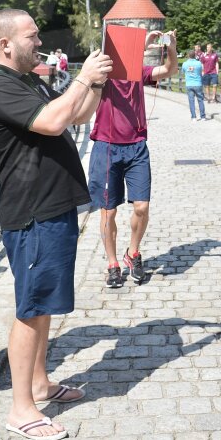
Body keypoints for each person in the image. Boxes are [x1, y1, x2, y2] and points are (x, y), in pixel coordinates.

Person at [0, 9, 113, 440]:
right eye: (32, 36)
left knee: (44, 304)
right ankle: (21, 410)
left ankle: (39, 384)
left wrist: (95, 82)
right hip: (32, 211)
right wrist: (80, 78)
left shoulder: (28, 79)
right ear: (6, 44)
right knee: (31, 307)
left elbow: (75, 116)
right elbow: (51, 120)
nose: (40, 43)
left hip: (53, 207)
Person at [89, 29, 177, 288]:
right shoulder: (103, 75)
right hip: (106, 147)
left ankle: (133, 253)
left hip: (136, 146)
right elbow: (88, 83)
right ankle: (112, 263)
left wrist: (170, 47)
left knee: (142, 207)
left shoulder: (139, 74)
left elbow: (168, 70)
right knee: (108, 211)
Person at [182, 48, 206, 120]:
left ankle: (193, 117)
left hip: (189, 84)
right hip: (198, 83)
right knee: (200, 100)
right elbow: (200, 71)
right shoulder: (199, 63)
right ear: (195, 55)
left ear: (188, 55)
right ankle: (203, 117)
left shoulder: (185, 64)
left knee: (191, 101)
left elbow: (184, 72)